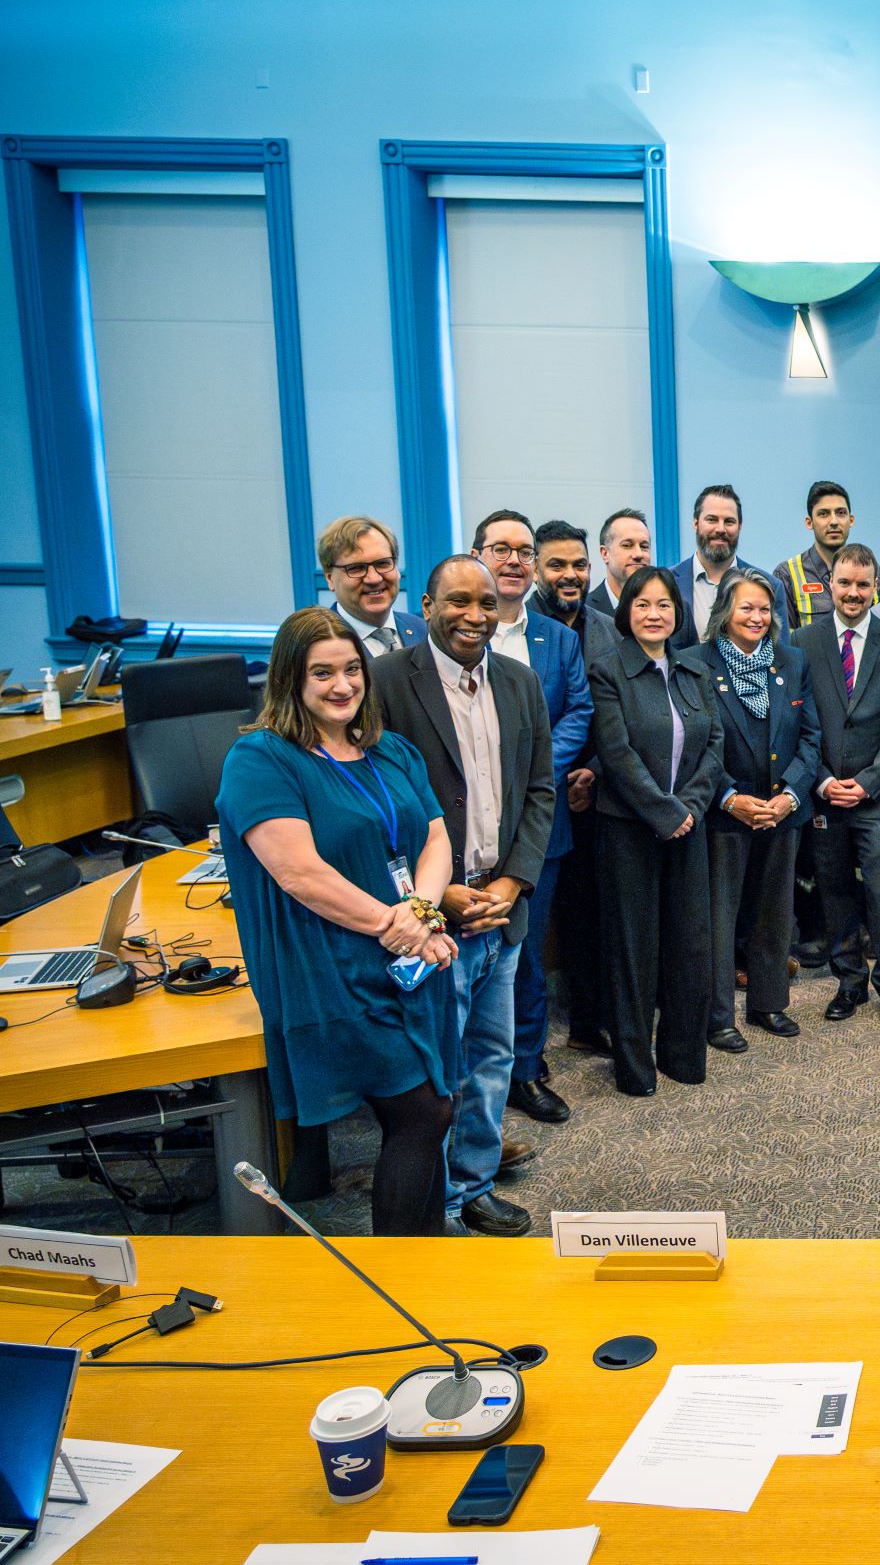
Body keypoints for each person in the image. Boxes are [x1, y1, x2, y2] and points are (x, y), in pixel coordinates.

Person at [217, 607, 459, 1236]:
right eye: (322, 673)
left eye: (352, 669)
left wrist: (424, 913)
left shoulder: (389, 748)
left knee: (434, 1107)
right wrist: (398, 923)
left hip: (408, 954)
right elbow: (299, 874)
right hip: (331, 965)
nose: (343, 685)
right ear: (289, 680)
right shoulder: (261, 759)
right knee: (421, 1114)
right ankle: (404, 1283)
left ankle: (433, 1268)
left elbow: (435, 839)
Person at [371, 555, 556, 1236]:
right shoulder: (387, 682)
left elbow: (540, 790)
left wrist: (513, 881)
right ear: (426, 606)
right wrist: (436, 892)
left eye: (486, 603)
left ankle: (474, 1186)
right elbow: (377, 808)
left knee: (490, 1063)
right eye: (458, 601)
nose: (475, 616)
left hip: (502, 912)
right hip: (434, 916)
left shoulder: (521, 682)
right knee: (438, 1074)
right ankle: (436, 1206)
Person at [469, 512, 590, 1130]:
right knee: (467, 953)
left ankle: (525, 1068)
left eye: (523, 551)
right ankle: (464, 1075)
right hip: (463, 824)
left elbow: (577, 712)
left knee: (524, 951)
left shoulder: (557, 639)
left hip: (539, 822)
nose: (514, 561)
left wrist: (533, 767)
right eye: (502, 549)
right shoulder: (454, 634)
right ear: (477, 555)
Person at [588, 564, 723, 1095]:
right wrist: (664, 812)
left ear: (677, 613)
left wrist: (687, 807)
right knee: (633, 947)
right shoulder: (608, 670)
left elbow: (713, 746)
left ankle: (683, 1055)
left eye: (664, 604)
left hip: (689, 826)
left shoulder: (694, 671)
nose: (654, 613)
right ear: (627, 612)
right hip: (628, 830)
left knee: (690, 943)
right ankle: (635, 1066)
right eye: (642, 604)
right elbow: (616, 754)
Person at [799, 544, 880, 1029]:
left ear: (876, 588)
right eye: (844, 583)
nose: (853, 593)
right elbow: (801, 721)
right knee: (833, 892)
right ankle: (849, 982)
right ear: (831, 584)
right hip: (824, 793)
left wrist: (867, 782)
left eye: (862, 584)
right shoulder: (802, 641)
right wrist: (825, 780)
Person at [697, 566, 819, 1047]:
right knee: (721, 919)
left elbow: (810, 737)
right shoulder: (697, 661)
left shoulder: (792, 660)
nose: (757, 616)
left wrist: (791, 794)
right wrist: (729, 796)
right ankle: (719, 1016)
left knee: (774, 914)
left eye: (765, 608)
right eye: (746, 606)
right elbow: (697, 744)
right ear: (726, 611)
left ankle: (769, 1005)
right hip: (725, 810)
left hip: (782, 811)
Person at [529, 520, 616, 1061]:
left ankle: (589, 1020)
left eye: (578, 564)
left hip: (598, 792)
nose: (570, 574)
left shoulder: (607, 628)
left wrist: (597, 770)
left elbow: (620, 711)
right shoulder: (515, 626)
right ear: (537, 568)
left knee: (590, 913)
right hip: (538, 793)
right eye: (557, 564)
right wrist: (560, 774)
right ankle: (526, 1047)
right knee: (531, 924)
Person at [672, 484, 776, 647]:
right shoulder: (669, 584)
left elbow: (780, 654)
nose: (720, 529)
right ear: (695, 522)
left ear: (740, 526)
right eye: (711, 519)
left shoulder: (771, 586)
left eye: (729, 521)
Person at [774, 479, 874, 628]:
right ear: (809, 522)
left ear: (851, 520)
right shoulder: (787, 575)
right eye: (824, 514)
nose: (834, 521)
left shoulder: (872, 570)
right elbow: (785, 641)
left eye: (840, 513)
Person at [318, 517, 424, 654]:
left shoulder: (423, 631)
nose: (373, 579)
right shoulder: (315, 645)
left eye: (382, 564)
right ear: (330, 579)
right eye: (356, 568)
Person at [590, 507, 653, 619]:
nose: (638, 554)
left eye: (644, 546)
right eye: (627, 545)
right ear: (605, 553)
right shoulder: (584, 611)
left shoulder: (675, 610)